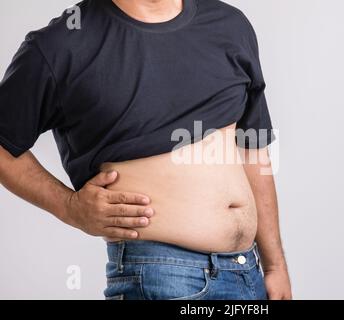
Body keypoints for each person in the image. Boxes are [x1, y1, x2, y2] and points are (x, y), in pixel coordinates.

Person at [0, 0, 291, 300]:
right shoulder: (61, 44)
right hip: (160, 278)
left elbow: (253, 151)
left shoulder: (230, 25)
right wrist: (69, 207)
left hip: (248, 273)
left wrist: (274, 266)